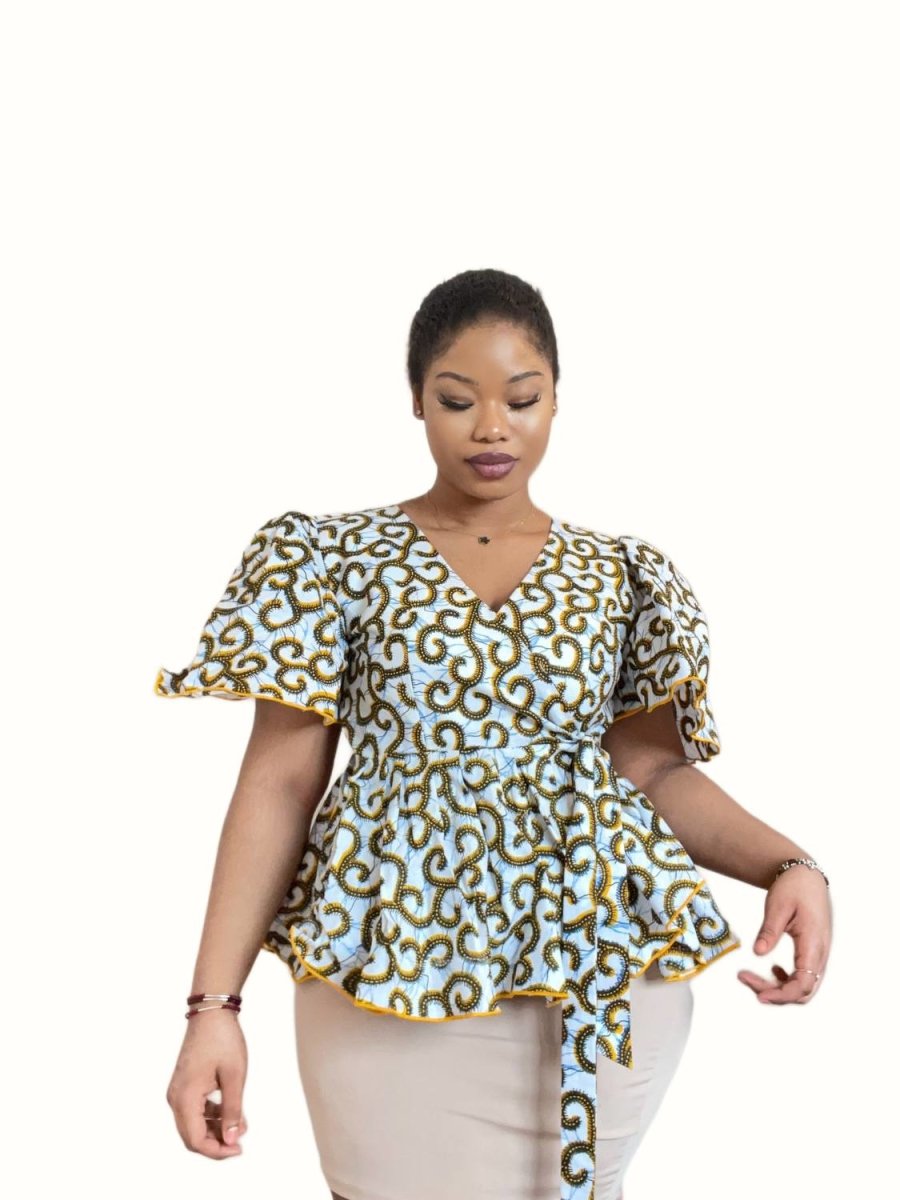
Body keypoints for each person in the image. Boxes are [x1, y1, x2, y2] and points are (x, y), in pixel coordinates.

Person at [155, 268, 833, 1200]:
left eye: (521, 399)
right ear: (415, 399)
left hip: (597, 970)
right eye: (456, 400)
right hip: (385, 972)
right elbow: (278, 785)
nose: (490, 428)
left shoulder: (624, 574)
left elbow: (651, 771)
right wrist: (213, 1007)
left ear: (556, 399)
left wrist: (789, 865)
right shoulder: (325, 559)